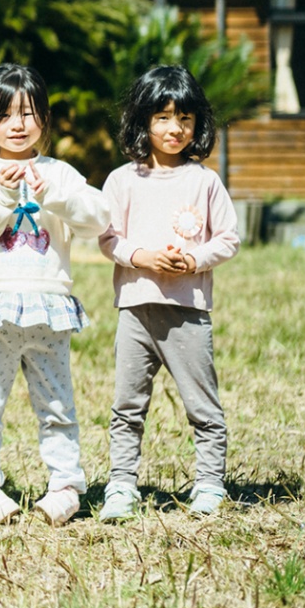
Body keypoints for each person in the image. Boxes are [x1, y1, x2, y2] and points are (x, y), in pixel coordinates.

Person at [0, 64, 107, 526]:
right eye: (5, 114)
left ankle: (66, 484)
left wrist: (55, 194)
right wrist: (0, 195)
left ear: (45, 119)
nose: (18, 125)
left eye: (29, 113)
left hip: (48, 309)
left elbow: (97, 219)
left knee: (57, 404)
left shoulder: (59, 172)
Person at [98, 65, 240, 521]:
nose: (174, 129)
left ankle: (210, 484)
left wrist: (194, 261)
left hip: (188, 312)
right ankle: (120, 485)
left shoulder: (204, 181)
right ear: (142, 122)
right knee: (127, 404)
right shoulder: (123, 180)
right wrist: (140, 257)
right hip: (135, 309)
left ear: (198, 125)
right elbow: (108, 238)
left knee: (202, 403)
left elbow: (229, 238)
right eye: (162, 117)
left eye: (185, 119)